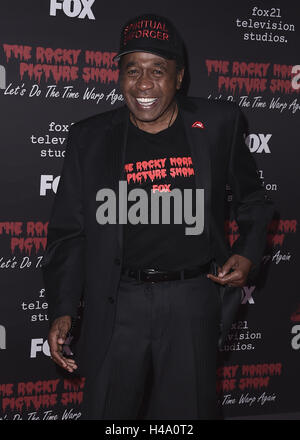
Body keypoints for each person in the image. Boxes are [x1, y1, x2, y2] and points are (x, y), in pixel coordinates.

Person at [42, 13, 274, 420]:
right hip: (117, 302)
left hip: (191, 299)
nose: (143, 84)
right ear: (119, 76)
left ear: (179, 77)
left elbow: (253, 199)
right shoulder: (89, 138)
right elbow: (69, 232)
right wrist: (62, 307)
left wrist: (248, 251)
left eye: (157, 71)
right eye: (132, 70)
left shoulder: (218, 124)